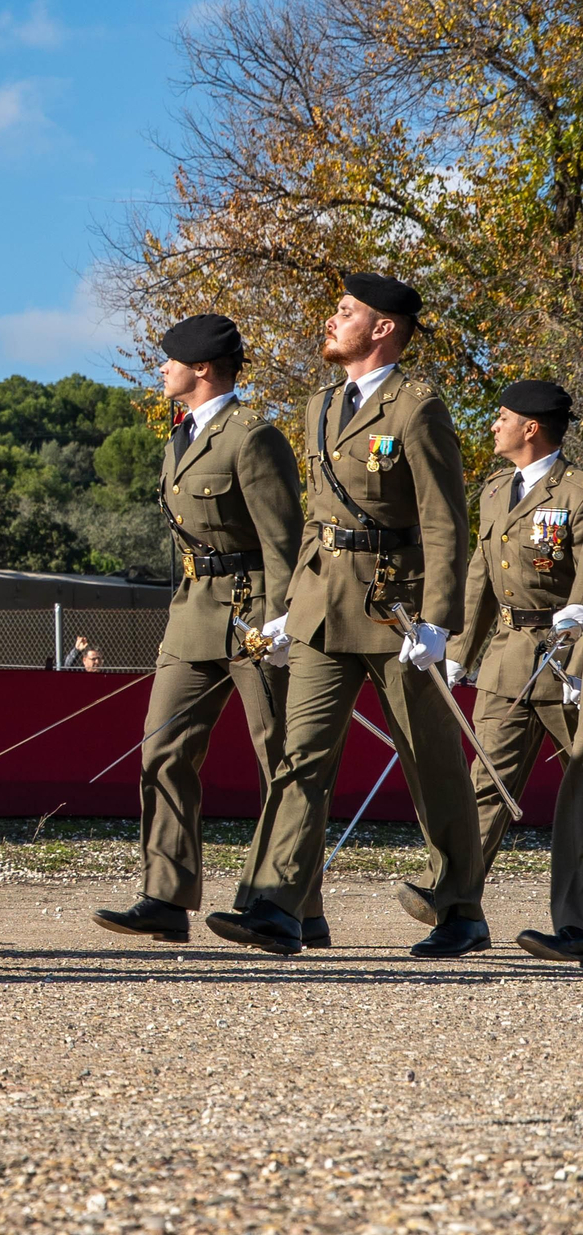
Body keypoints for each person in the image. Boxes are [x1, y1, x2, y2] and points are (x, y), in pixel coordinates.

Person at [206, 272, 487, 958]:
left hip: (397, 613)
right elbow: (318, 520)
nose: (331, 320)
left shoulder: (417, 407)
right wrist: (287, 609)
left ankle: (460, 905)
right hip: (323, 609)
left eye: (345, 310)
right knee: (300, 756)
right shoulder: (321, 406)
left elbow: (445, 521)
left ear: (383, 327)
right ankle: (278, 904)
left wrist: (439, 622)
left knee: (430, 761)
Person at [91, 314, 308, 947]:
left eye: (171, 359)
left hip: (254, 613)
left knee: (282, 760)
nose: (162, 369)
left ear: (203, 369)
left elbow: (283, 539)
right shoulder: (180, 437)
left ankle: (285, 904)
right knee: (163, 750)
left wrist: (285, 616)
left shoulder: (253, 438)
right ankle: (165, 896)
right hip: (192, 613)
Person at [438, 381, 583, 962]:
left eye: (502, 418)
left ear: (532, 428)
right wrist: (456, 652)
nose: (492, 426)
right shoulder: (497, 490)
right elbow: (479, 578)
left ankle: (574, 924)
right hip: (507, 656)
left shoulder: (576, 489)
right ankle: (456, 912)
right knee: (484, 786)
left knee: (580, 786)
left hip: (568, 654)